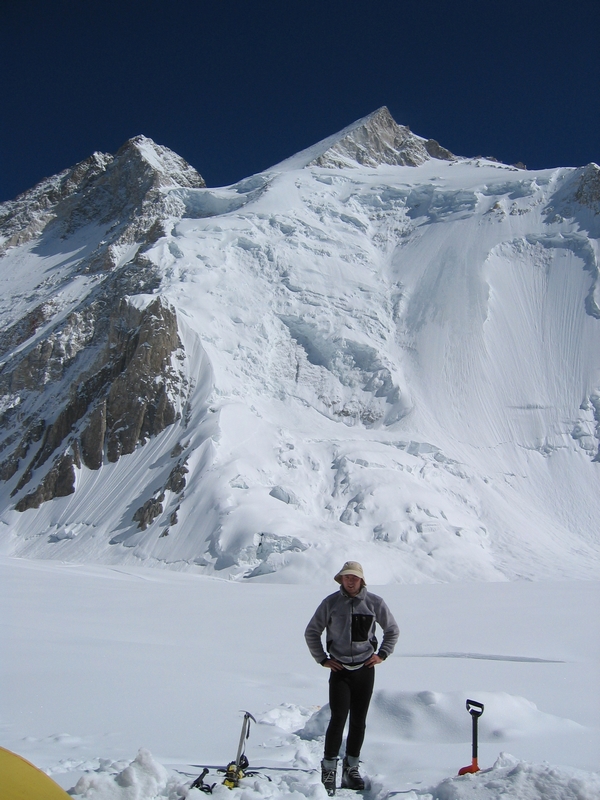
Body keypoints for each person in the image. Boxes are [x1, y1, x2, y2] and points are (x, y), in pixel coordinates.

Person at [304, 561, 399, 795]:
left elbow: (392, 630)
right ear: (340, 579)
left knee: (359, 720)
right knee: (338, 719)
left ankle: (351, 769)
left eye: (354, 577)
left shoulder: (375, 602)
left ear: (361, 580)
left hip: (365, 669)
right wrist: (323, 659)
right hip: (340, 671)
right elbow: (312, 632)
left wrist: (382, 654)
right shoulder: (330, 603)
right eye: (346, 577)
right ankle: (329, 769)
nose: (350, 581)